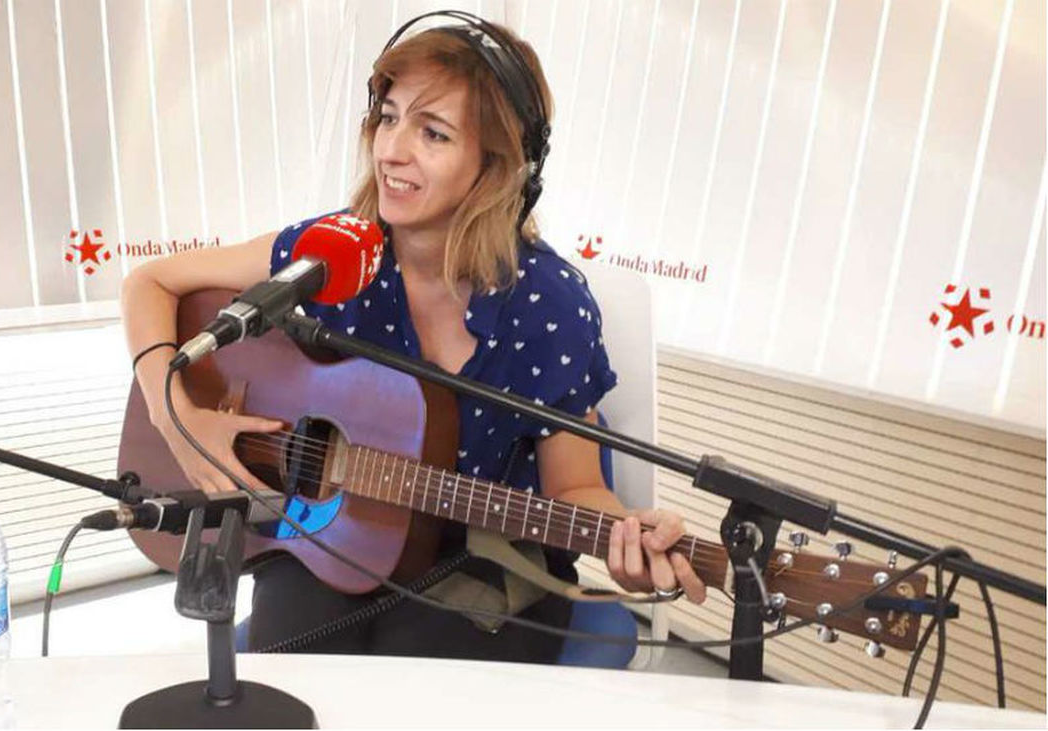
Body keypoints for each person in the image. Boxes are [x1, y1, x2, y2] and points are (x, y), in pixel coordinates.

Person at [119, 16, 706, 664]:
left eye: (433, 133)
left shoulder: (549, 305)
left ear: (500, 165)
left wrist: (626, 540)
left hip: (483, 553)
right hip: (334, 528)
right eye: (389, 118)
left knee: (415, 682)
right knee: (295, 672)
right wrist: (177, 418)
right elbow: (151, 282)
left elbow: (574, 489)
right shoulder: (332, 254)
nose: (392, 151)